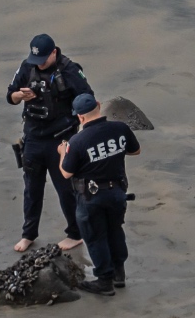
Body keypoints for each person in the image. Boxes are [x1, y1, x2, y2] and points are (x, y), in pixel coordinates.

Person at [5, 33, 94, 253]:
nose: (39, 64)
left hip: (60, 138)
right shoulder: (27, 67)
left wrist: (83, 132)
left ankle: (75, 233)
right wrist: (20, 95)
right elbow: (10, 96)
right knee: (31, 189)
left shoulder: (70, 70)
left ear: (54, 52)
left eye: (43, 59)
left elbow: (87, 99)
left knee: (65, 188)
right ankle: (28, 234)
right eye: (36, 60)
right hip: (33, 137)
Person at [59, 94, 140, 296]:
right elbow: (135, 150)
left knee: (95, 237)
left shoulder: (77, 141)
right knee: (115, 230)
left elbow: (66, 172)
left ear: (80, 117)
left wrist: (62, 153)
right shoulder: (120, 128)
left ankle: (104, 281)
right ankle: (119, 274)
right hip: (117, 192)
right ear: (98, 106)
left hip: (91, 197)